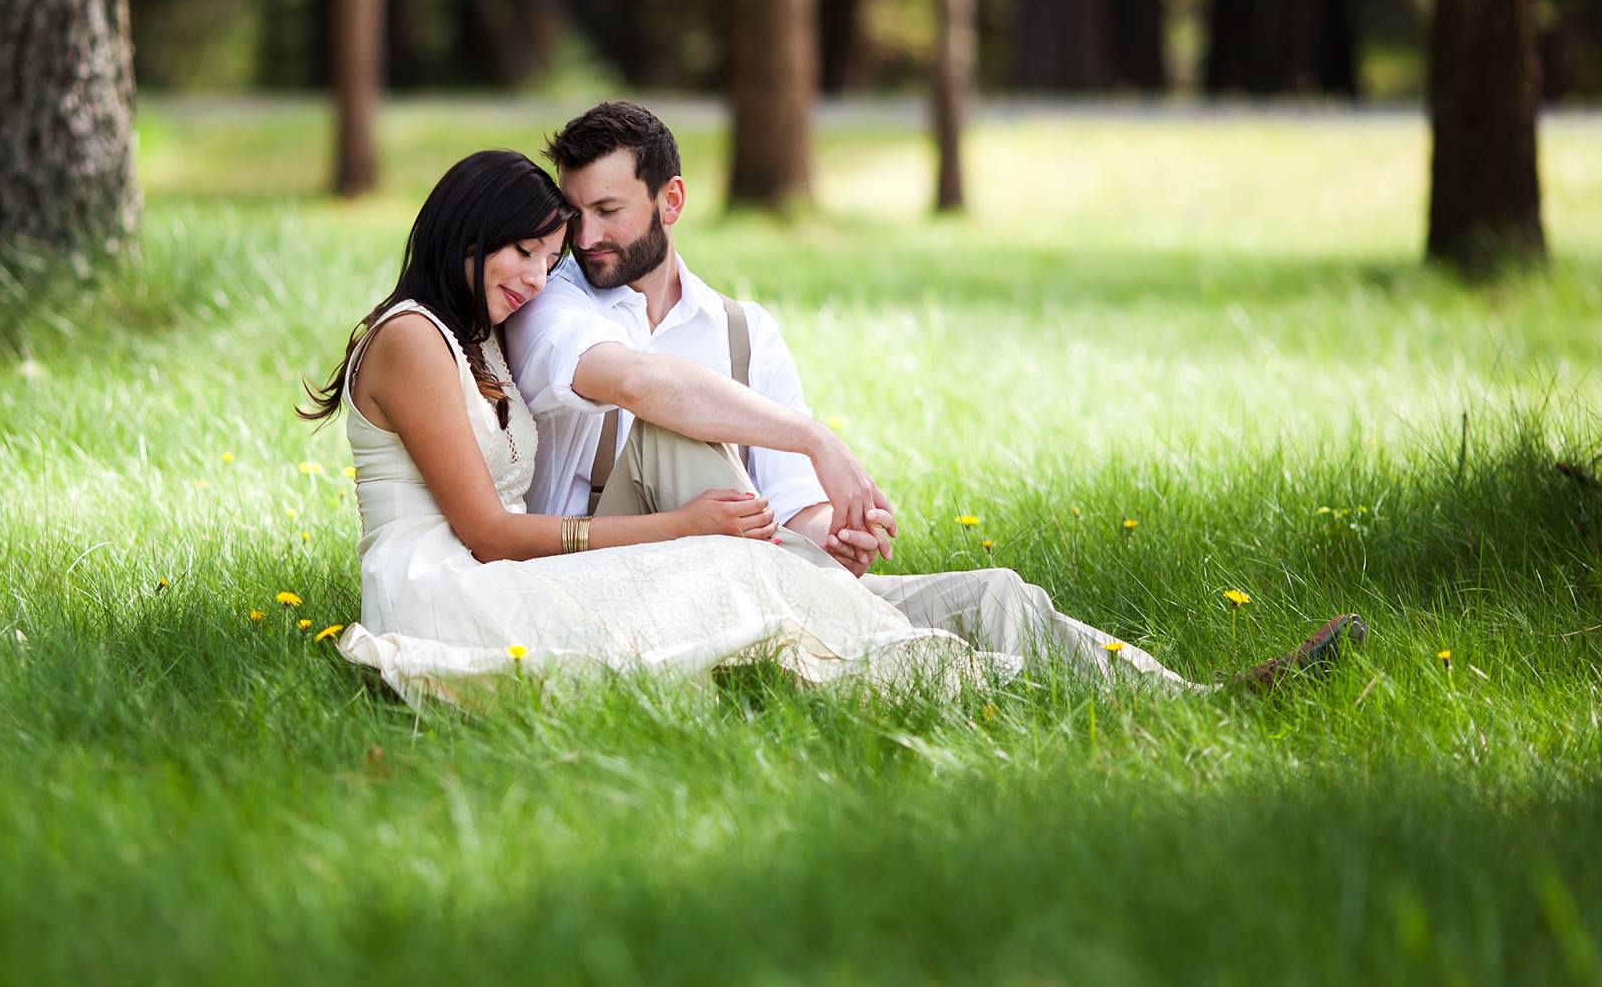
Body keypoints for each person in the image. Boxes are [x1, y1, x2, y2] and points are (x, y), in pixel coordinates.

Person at [305, 145, 1361, 713]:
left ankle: (1183, 694)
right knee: (747, 573)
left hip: (561, 559)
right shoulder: (476, 332)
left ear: (669, 200)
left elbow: (781, 504)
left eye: (580, 231)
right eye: (533, 246)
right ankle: (1030, 691)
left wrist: (824, 524)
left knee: (967, 589)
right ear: (469, 234)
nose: (553, 265)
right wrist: (701, 523)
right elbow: (498, 520)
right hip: (472, 583)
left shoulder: (716, 329)